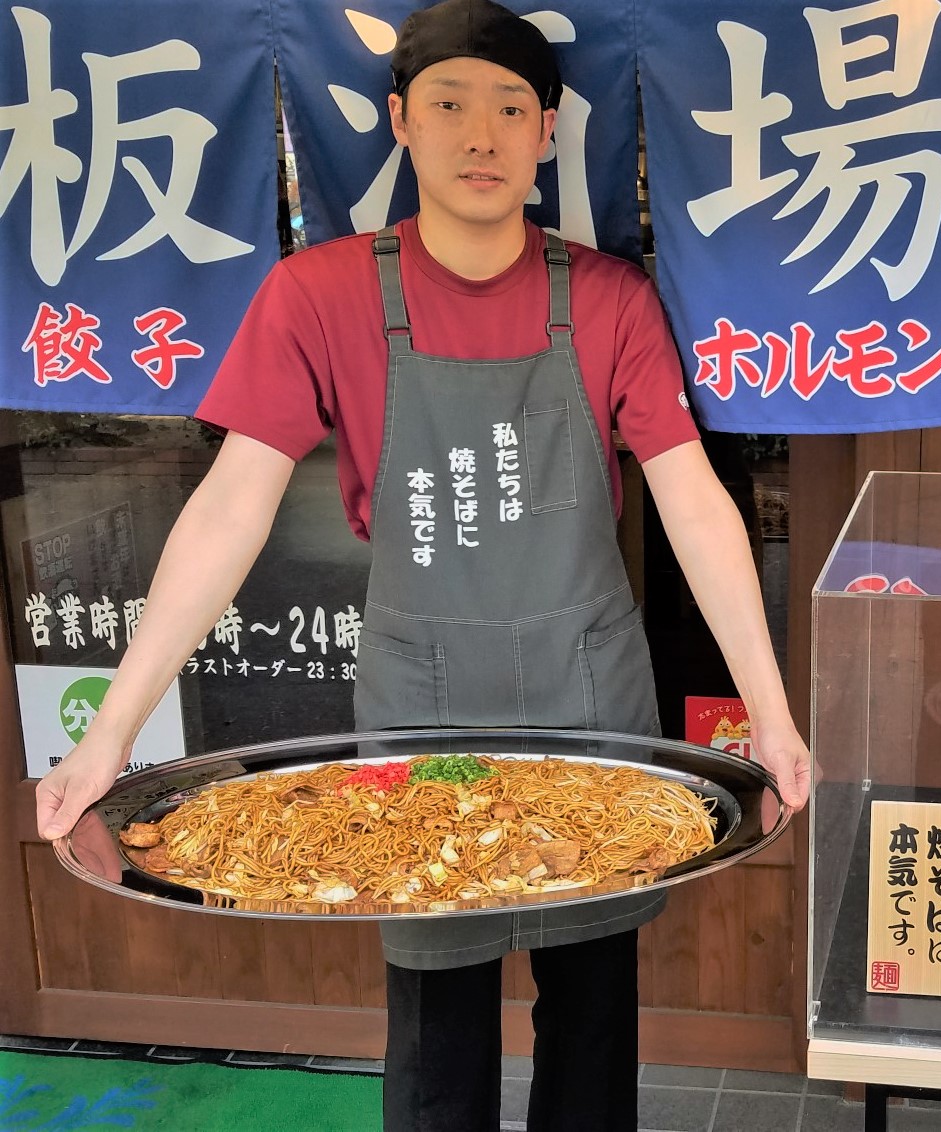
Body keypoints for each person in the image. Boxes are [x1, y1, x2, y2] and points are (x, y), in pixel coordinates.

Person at [33, 1, 811, 1128]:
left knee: (592, 1018)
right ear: (400, 119)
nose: (480, 134)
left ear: (549, 132)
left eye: (511, 108)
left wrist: (772, 715)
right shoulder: (321, 293)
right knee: (436, 1029)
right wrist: (109, 735)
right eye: (448, 103)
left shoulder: (608, 299)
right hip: (421, 701)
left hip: (586, 695)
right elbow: (228, 511)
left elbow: (692, 502)